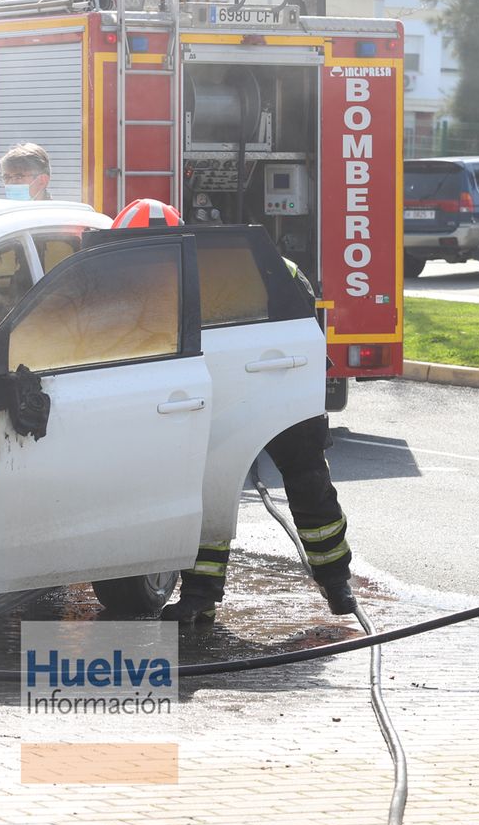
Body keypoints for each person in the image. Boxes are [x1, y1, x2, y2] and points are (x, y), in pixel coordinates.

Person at [114, 198, 357, 622]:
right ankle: (203, 595)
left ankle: (336, 585)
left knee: (301, 483)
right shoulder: (170, 273)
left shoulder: (193, 274)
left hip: (278, 387)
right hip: (255, 387)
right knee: (215, 489)